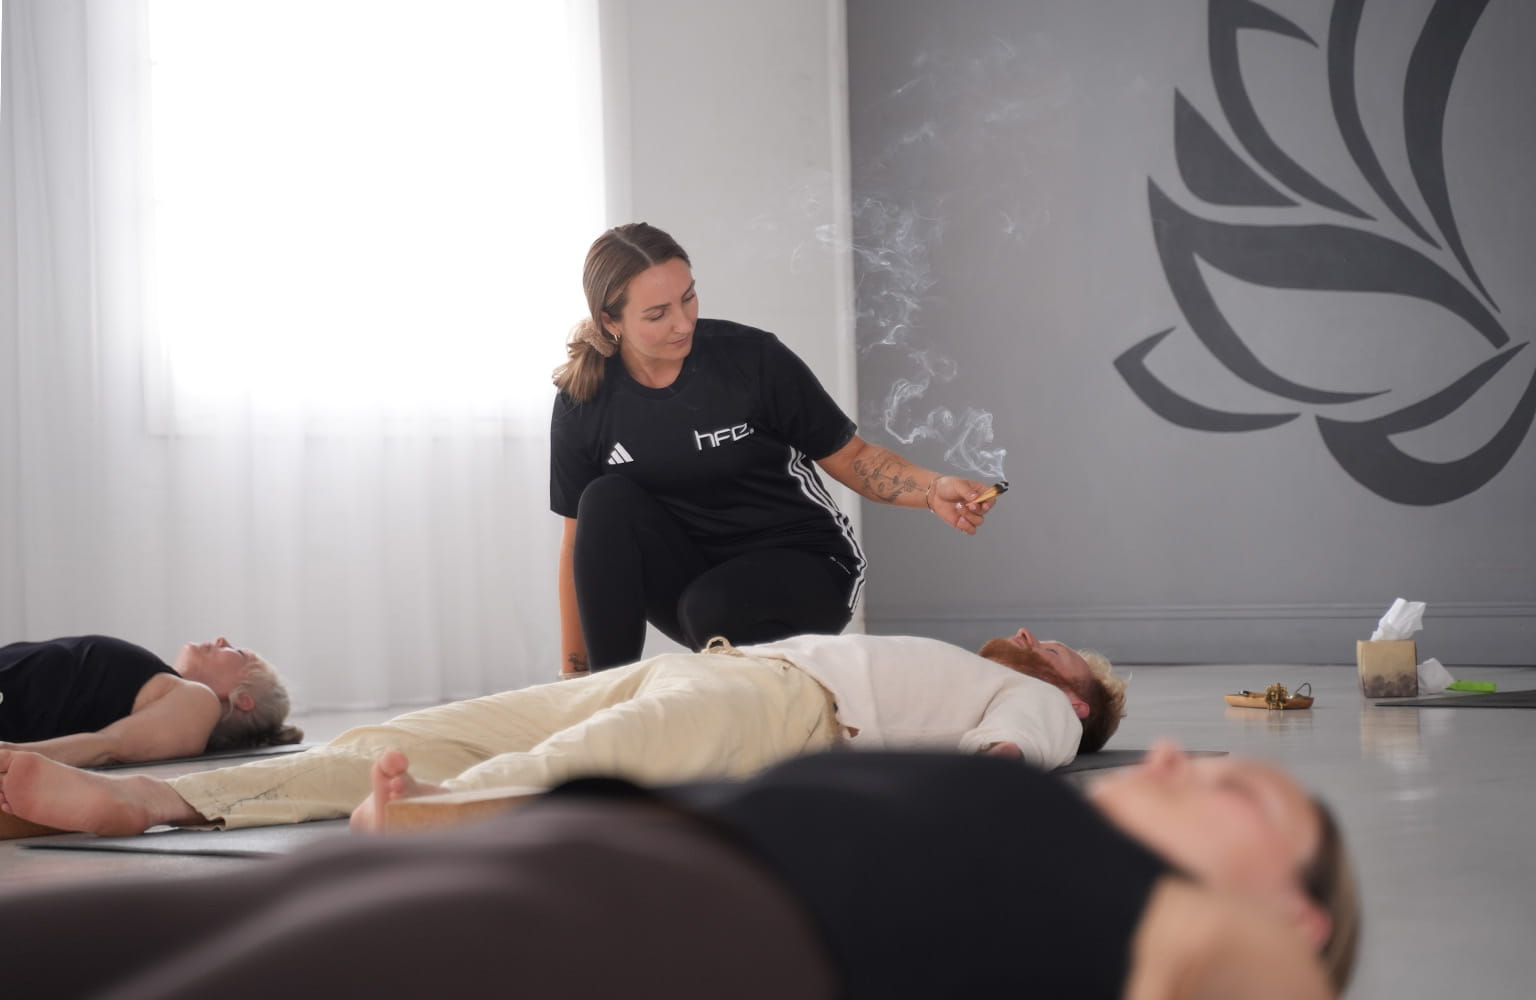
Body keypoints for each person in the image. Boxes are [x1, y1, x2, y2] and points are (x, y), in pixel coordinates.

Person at [0, 747, 1359, 1000]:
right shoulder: (1032, 822)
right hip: (561, 854)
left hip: (652, 930)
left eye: (1240, 789)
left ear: (1293, 910)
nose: (1177, 755)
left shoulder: (1176, 934)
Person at [0, 628, 1123, 836]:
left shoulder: (1034, 706)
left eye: (1064, 651)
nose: (1037, 642)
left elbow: (1006, 761)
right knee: (419, 730)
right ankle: (149, 798)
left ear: (1080, 698)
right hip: (703, 667)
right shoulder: (978, 663)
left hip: (787, 707)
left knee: (576, 764)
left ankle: (434, 818)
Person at [552, 222, 1004, 676]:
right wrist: (572, 676)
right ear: (610, 321)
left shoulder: (751, 359)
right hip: (695, 582)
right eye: (658, 314)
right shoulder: (583, 401)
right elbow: (580, 547)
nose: (684, 322)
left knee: (710, 608)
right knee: (604, 501)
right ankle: (604, 692)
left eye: (689, 297)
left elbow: (853, 457)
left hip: (806, 565)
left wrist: (932, 489)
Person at [0, 635, 300, 767]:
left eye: (238, 653)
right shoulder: (166, 685)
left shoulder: (199, 704)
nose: (222, 640)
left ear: (244, 700)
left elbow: (105, 747)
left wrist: (10, 755)